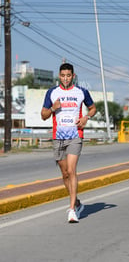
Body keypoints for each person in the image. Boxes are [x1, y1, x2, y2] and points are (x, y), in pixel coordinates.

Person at [41, 63, 96, 223]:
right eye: (63, 75)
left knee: (72, 170)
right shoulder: (52, 92)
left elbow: (92, 108)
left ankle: (72, 210)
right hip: (58, 137)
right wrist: (53, 108)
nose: (66, 78)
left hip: (75, 135)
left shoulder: (81, 92)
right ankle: (77, 202)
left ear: (73, 76)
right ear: (59, 76)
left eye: (69, 75)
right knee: (64, 173)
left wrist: (86, 117)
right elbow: (43, 115)